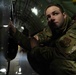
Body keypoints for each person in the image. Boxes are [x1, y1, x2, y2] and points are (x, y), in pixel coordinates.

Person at [9, 3, 76, 75]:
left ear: (64, 15)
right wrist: (14, 31)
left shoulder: (73, 29)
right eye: (48, 17)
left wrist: (36, 49)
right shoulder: (51, 29)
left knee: (59, 65)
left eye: (55, 14)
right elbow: (31, 42)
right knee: (32, 55)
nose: (52, 18)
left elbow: (59, 53)